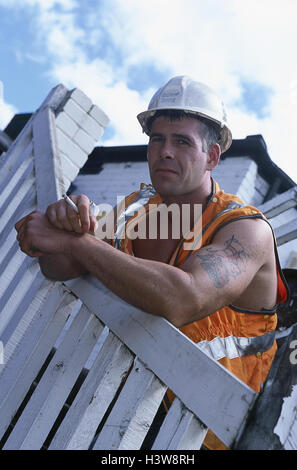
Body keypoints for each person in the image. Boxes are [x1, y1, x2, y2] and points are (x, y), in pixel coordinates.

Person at [15, 76, 289, 449]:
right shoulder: (138, 208)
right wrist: (60, 227)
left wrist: (77, 244)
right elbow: (59, 267)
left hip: (203, 438)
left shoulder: (245, 229)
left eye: (182, 142)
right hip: (125, 410)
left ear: (211, 156)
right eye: (156, 138)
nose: (165, 152)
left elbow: (182, 298)